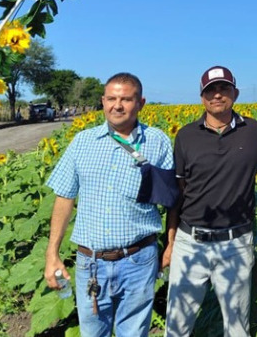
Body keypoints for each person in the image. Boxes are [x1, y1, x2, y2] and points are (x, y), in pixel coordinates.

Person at [43, 72, 173, 337]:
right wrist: (52, 253)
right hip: (91, 262)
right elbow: (64, 197)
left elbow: (172, 199)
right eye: (111, 99)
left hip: (139, 259)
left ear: (141, 103)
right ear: (103, 101)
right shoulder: (82, 142)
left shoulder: (157, 141)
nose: (118, 105)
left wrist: (171, 244)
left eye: (126, 99)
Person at [163, 66, 257, 337]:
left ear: (235, 93)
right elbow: (179, 193)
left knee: (237, 327)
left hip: (236, 243)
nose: (217, 95)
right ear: (202, 97)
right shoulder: (186, 135)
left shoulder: (254, 131)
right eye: (210, 90)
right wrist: (171, 242)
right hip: (190, 242)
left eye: (224, 88)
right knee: (177, 325)